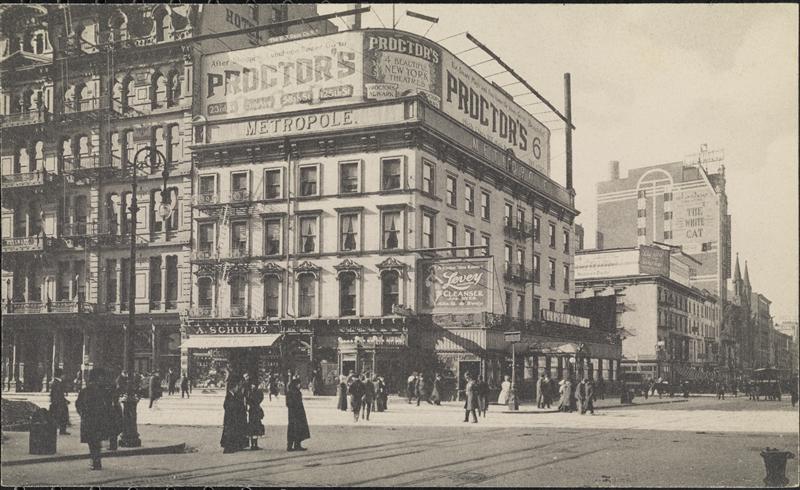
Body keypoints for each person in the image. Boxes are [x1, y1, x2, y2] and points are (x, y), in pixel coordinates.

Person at [75, 368, 112, 470]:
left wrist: (83, 414)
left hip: (89, 421)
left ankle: (95, 461)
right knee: (96, 442)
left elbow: (78, 404)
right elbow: (108, 406)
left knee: (92, 442)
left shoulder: (86, 391)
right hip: (98, 420)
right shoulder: (103, 391)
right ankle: (96, 461)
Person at [220, 374, 248, 454]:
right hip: (230, 418)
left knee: (231, 432)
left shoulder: (233, 395)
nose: (237, 389)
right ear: (233, 387)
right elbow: (226, 405)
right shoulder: (229, 395)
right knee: (229, 432)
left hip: (231, 417)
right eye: (236, 387)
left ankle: (231, 447)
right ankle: (228, 448)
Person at [286, 377, 310, 451]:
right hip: (295, 413)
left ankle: (297, 445)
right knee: (294, 429)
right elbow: (289, 403)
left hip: (298, 413)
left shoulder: (297, 392)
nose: (300, 385)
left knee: (298, 429)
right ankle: (291, 446)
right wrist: (295, 406)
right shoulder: (291, 392)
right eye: (298, 384)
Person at [244, 374, 265, 450]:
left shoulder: (250, 392)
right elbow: (260, 398)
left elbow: (248, 400)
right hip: (255, 410)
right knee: (255, 427)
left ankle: (253, 444)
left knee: (253, 427)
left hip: (252, 411)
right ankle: (254, 444)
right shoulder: (256, 392)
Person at [105, 372, 123, 451]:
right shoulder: (115, 391)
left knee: (112, 429)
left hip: (113, 412)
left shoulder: (112, 395)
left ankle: (113, 446)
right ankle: (113, 445)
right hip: (116, 411)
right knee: (113, 430)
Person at [50, 367, 70, 435]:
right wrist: (62, 401)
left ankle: (62, 430)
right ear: (61, 375)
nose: (64, 376)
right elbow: (58, 394)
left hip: (58, 403)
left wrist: (65, 400)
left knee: (60, 417)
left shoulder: (56, 382)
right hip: (59, 404)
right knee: (61, 417)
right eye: (63, 375)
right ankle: (62, 430)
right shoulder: (57, 383)